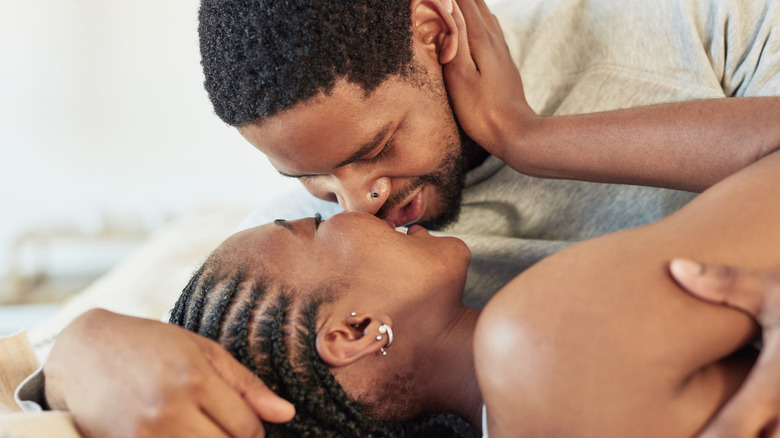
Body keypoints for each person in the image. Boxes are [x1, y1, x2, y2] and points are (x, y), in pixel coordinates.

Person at [25, 0, 780, 436]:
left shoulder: (686, 20)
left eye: (378, 146)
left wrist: (530, 140)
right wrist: (73, 351)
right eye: (311, 185)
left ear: (435, 31)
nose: (359, 202)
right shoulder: (312, 273)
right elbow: (214, 342)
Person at [160, 147, 780, 437]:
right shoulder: (534, 342)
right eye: (317, 224)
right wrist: (529, 139)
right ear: (352, 331)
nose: (360, 208)